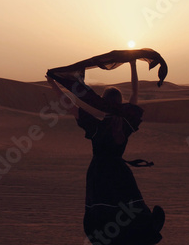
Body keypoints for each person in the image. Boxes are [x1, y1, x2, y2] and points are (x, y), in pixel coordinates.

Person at [47, 60, 164, 245]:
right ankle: (143, 232)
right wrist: (133, 65)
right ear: (120, 103)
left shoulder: (96, 127)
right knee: (129, 206)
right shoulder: (126, 123)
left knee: (101, 209)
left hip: (99, 172)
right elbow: (135, 93)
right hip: (119, 171)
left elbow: (69, 104)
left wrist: (53, 84)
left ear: (102, 103)